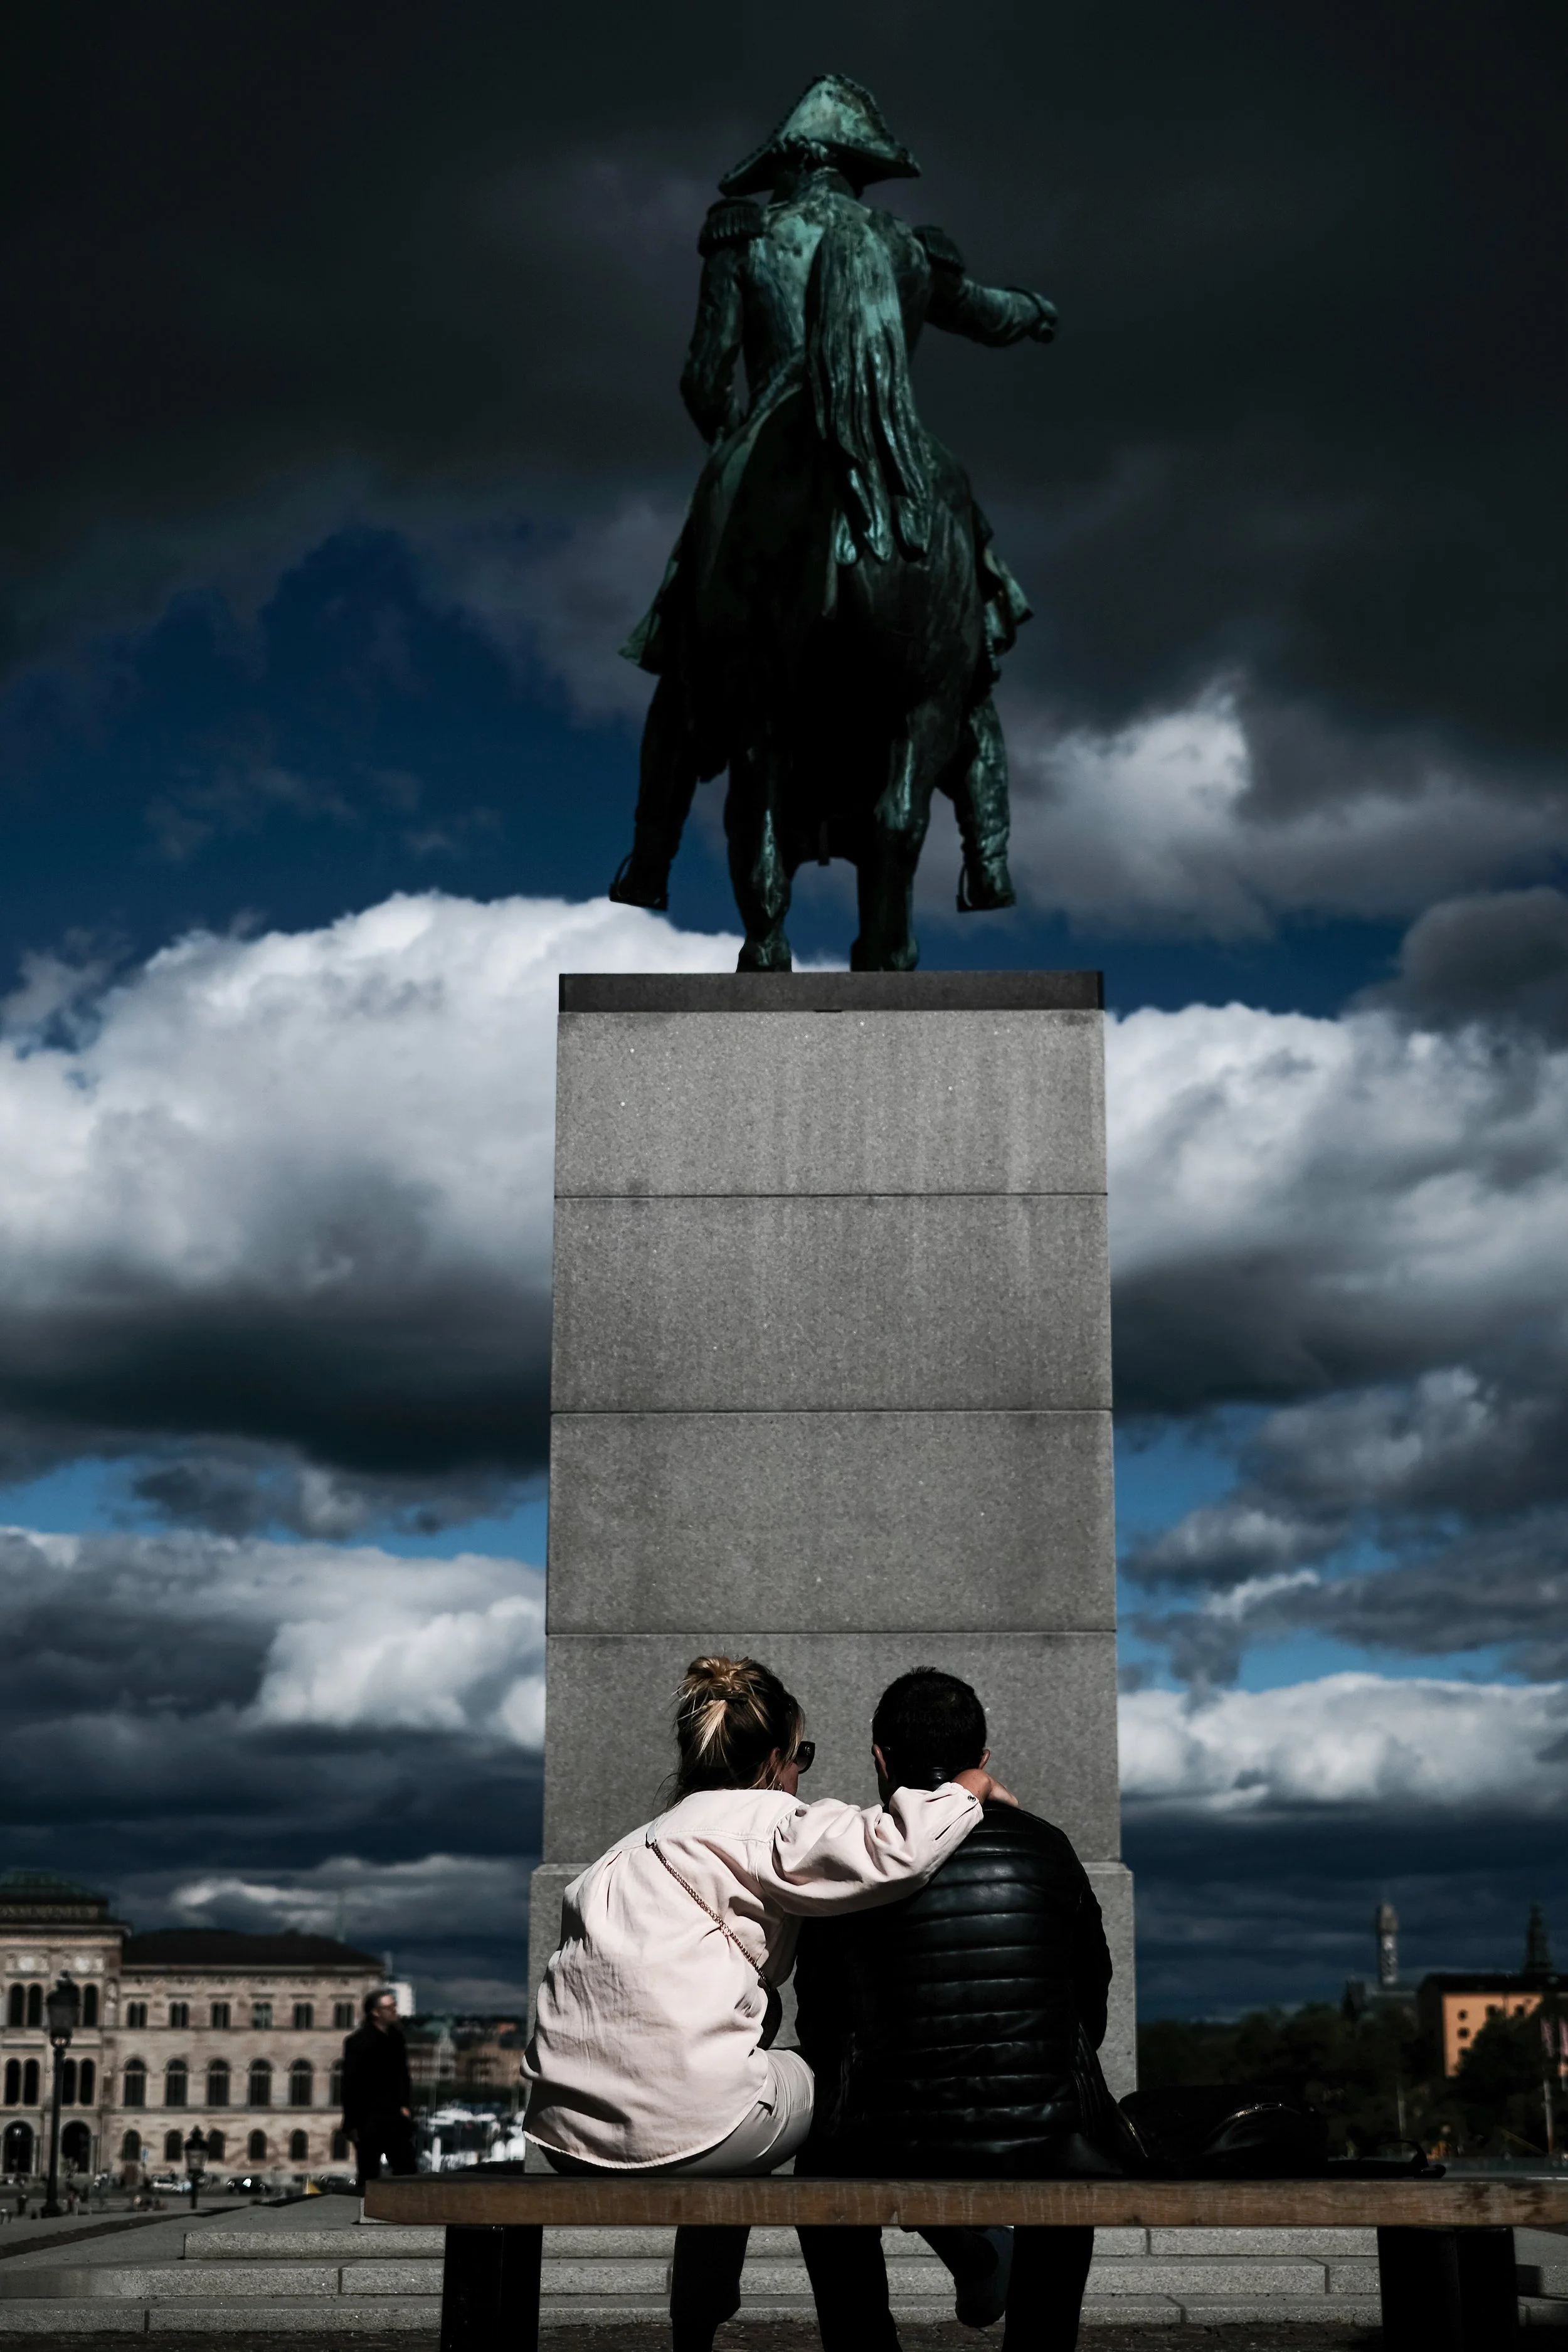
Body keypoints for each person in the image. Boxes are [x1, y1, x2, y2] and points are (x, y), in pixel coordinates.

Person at [521, 1655, 1010, 2352]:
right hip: (694, 2120)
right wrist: (970, 1786)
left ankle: (693, 2334)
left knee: (724, 2109)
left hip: (568, 2133)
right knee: (836, 2091)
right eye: (802, 1757)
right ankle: (970, 2249)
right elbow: (895, 1849)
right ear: (777, 1759)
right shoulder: (770, 1822)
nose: (800, 1776)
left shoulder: (620, 1856)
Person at [793, 1668, 1131, 2352]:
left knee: (817, 2170)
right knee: (1071, 2156)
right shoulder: (1048, 1848)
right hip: (1041, 2137)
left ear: (880, 1759)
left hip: (879, 2137)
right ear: (982, 1761)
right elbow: (1087, 2003)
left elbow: (819, 2020)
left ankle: (863, 2347)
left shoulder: (851, 1860)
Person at [340, 1988, 416, 2191]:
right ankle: (368, 2214)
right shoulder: (357, 2042)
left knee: (407, 2167)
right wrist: (352, 2123)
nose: (395, 2010)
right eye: (389, 2007)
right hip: (368, 2118)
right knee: (369, 2172)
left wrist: (405, 2106)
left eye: (394, 2006)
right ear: (376, 2012)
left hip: (393, 2114)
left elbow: (403, 2076)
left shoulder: (396, 2038)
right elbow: (351, 2084)